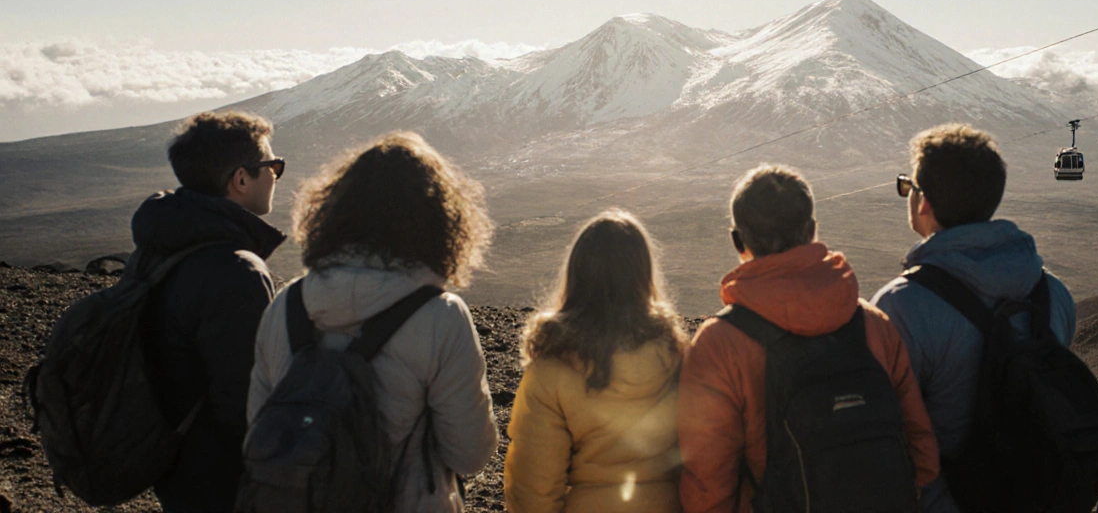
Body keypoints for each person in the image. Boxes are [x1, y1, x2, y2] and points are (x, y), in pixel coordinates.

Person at [247, 131, 498, 512]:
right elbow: (469, 454)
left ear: (332, 212)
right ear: (440, 220)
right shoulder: (441, 316)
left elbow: (259, 432)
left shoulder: (286, 305)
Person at [679, 164, 940, 513]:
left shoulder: (720, 344)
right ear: (813, 231)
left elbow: (708, 485)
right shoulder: (873, 325)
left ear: (739, 242)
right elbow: (922, 453)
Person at [870, 123, 1078, 513]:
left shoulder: (903, 305)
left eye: (908, 187)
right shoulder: (1054, 295)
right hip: (1037, 494)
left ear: (924, 202)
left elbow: (883, 432)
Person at [134, 111, 286, 512]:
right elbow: (245, 399)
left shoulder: (163, 241)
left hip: (175, 464)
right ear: (240, 179)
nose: (276, 175)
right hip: (222, 479)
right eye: (273, 166)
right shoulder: (236, 270)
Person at [505, 210, 686, 513]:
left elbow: (534, 487)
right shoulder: (675, 353)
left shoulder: (553, 368)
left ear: (576, 275)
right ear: (643, 276)